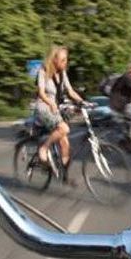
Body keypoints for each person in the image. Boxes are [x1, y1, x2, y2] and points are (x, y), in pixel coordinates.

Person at [35, 46, 84, 178]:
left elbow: (70, 91)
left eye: (66, 59)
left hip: (54, 110)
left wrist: (83, 102)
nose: (65, 62)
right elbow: (41, 93)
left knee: (65, 144)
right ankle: (44, 148)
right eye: (62, 60)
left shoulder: (62, 73)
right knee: (64, 129)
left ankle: (64, 176)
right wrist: (50, 102)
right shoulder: (43, 71)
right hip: (44, 108)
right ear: (54, 59)